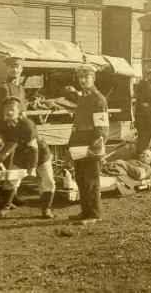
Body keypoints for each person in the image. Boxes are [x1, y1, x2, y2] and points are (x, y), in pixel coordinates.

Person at [0, 96, 50, 219]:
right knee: (12, 180)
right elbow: (0, 142)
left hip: (39, 155)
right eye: (6, 110)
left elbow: (34, 148)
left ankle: (46, 209)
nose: (8, 113)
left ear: (19, 112)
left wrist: (33, 167)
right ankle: (5, 208)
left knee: (48, 181)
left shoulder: (27, 125)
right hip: (20, 155)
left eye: (12, 110)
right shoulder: (3, 125)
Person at [68, 64, 109, 225]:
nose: (83, 80)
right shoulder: (83, 97)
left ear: (94, 78)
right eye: (80, 77)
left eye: (87, 77)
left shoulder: (98, 99)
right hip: (79, 143)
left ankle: (94, 214)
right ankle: (85, 211)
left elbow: (102, 127)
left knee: (91, 180)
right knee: (81, 179)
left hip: (91, 144)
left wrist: (96, 146)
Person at [0, 57, 27, 125]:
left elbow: (23, 109)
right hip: (10, 128)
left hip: (21, 125)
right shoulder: (3, 88)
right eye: (12, 67)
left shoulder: (21, 88)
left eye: (17, 67)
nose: (15, 70)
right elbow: (1, 115)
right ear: (7, 69)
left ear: (21, 69)